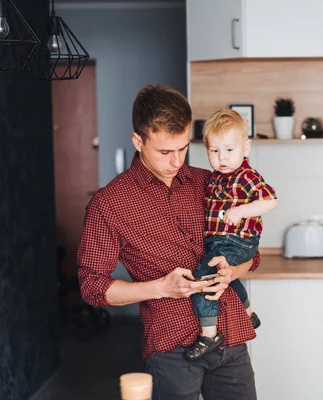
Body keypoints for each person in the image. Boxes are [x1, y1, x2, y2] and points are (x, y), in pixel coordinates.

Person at [77, 84, 260, 400]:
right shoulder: (109, 204)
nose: (176, 161)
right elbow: (92, 286)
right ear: (138, 141)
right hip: (170, 347)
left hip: (231, 337)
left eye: (183, 148)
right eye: (165, 151)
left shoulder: (211, 183)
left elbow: (252, 255)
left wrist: (233, 270)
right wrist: (161, 287)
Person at [186, 109, 277, 360]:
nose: (221, 157)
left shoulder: (247, 176)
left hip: (238, 241)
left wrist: (241, 211)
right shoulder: (216, 178)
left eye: (229, 150)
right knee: (227, 278)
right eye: (214, 151)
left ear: (245, 148)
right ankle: (249, 313)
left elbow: (270, 201)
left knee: (204, 278)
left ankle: (209, 334)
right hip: (220, 242)